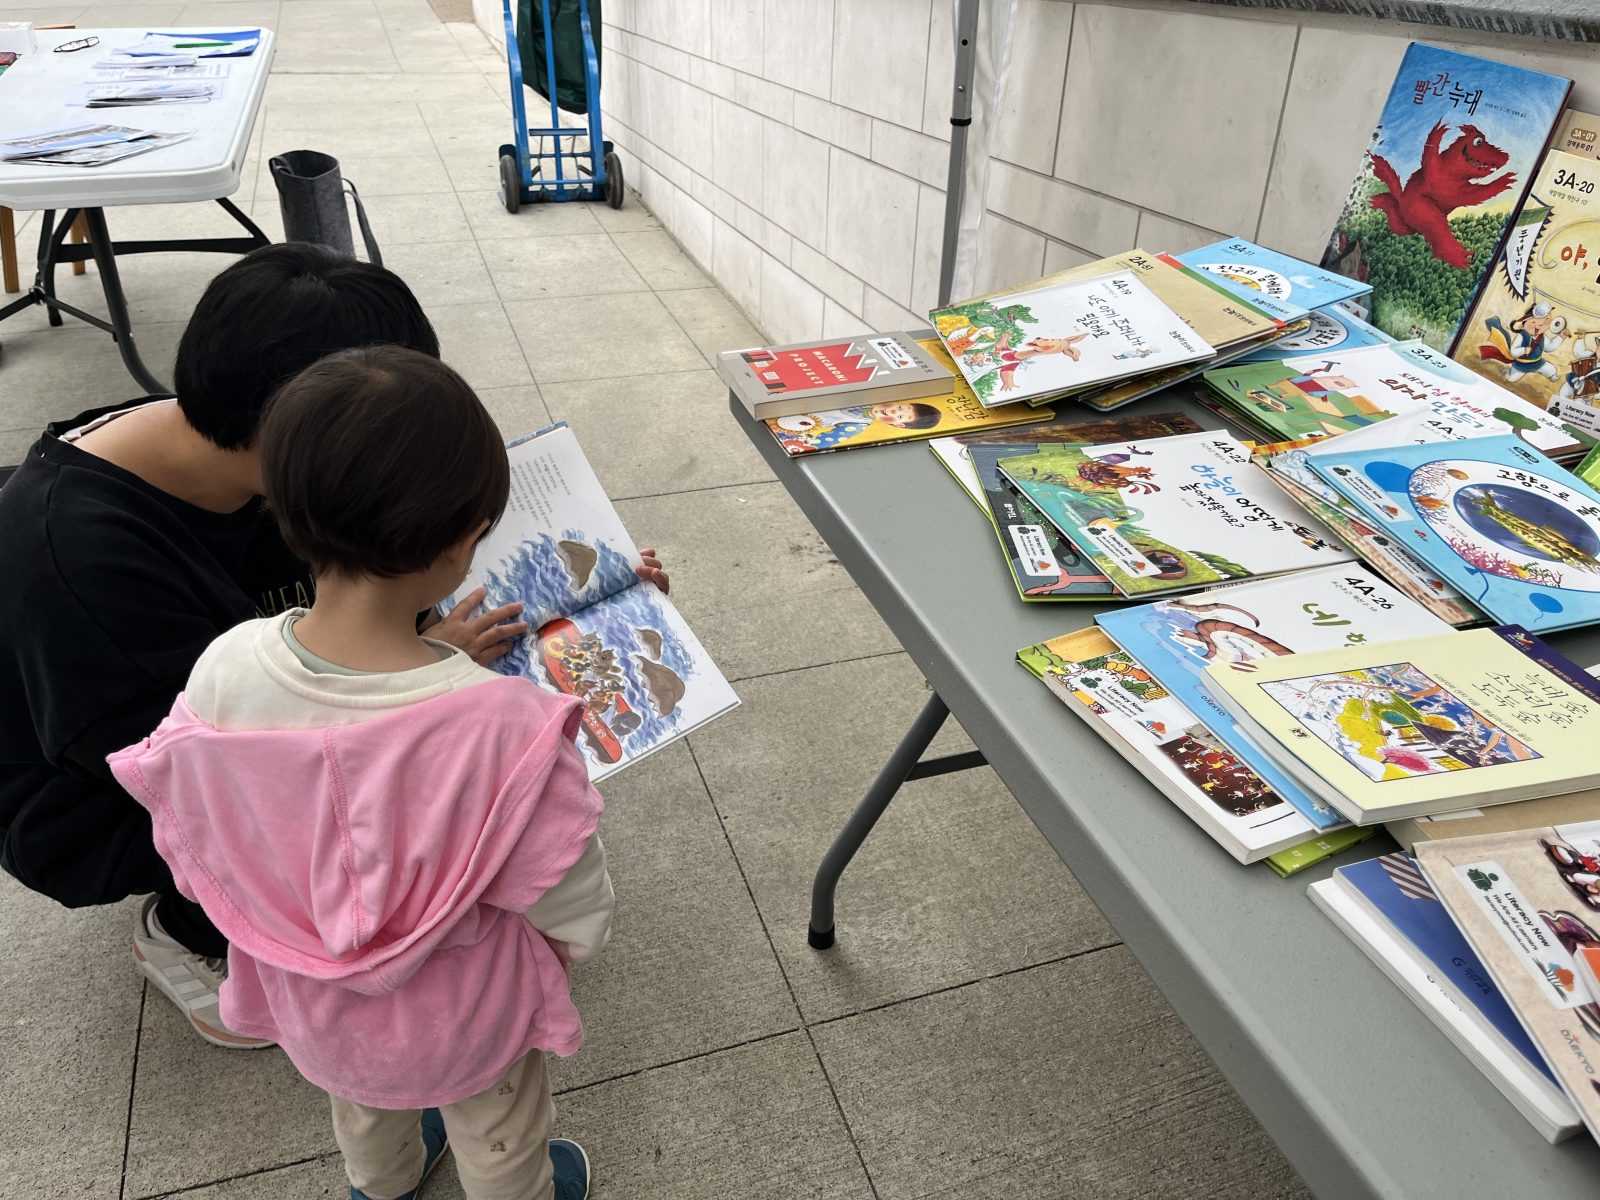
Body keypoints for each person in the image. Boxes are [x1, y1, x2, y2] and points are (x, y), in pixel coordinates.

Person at [0, 244, 546, 1049]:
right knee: (395, 803)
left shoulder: (243, 450)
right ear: (292, 433)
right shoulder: (80, 560)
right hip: (101, 794)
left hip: (222, 695)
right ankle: (190, 928)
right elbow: (214, 772)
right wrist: (428, 671)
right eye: (383, 441)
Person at [110, 346, 610, 1200]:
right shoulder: (505, 726)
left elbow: (194, 824)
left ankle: (381, 1188)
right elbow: (571, 898)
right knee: (501, 1137)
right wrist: (561, 952)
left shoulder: (226, 665)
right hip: (467, 1013)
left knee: (364, 1108)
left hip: (318, 1005)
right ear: (460, 544)